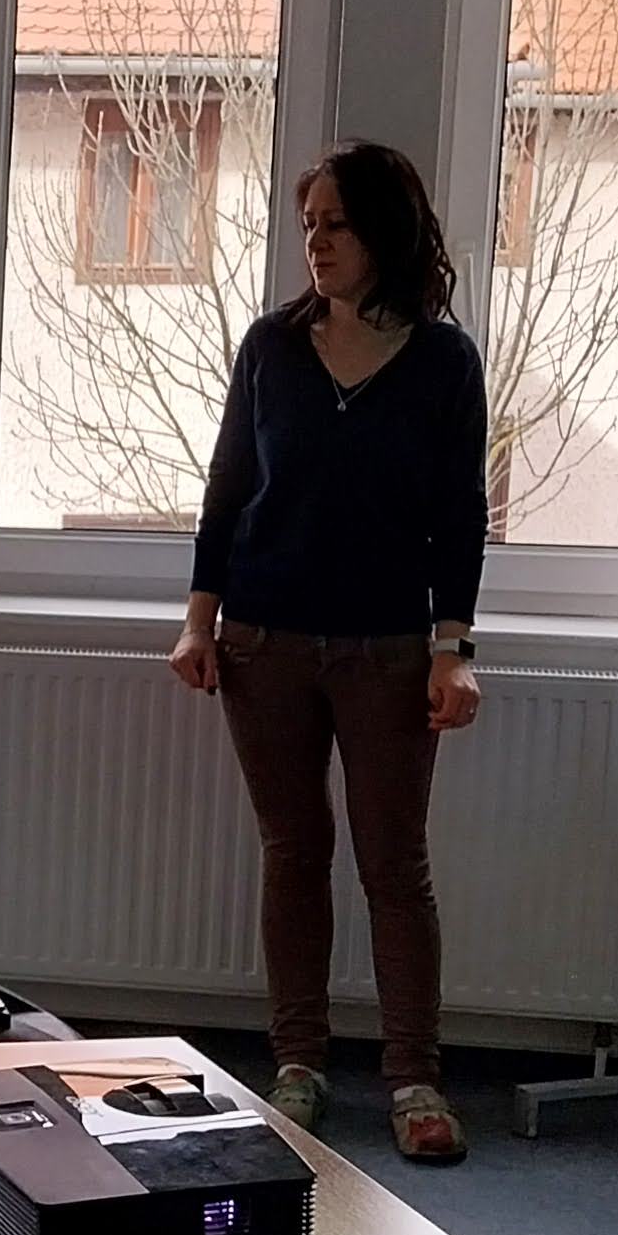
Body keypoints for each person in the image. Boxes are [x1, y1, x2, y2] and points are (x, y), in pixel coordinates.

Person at [168, 141, 488, 1166]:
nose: (317, 242)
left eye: (337, 224)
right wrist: (198, 621)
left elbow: (461, 516)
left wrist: (453, 648)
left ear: (387, 231)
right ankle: (298, 1065)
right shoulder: (271, 347)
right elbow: (227, 491)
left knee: (395, 865)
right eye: (308, 224)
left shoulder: (444, 362)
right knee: (294, 853)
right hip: (264, 643)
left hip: (390, 650)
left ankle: (415, 1081)